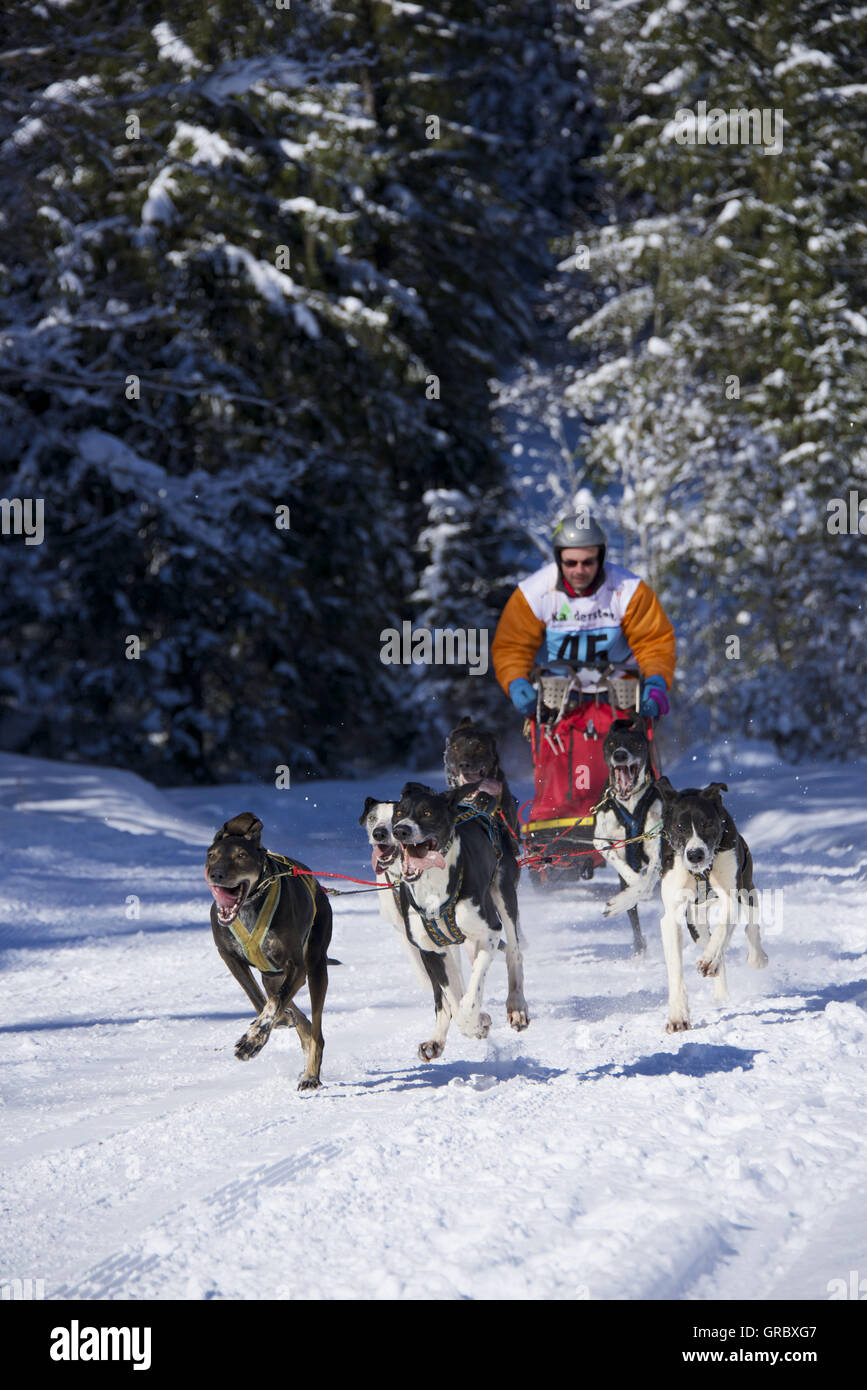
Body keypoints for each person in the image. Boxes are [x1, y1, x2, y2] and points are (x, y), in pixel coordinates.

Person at [491, 513, 676, 716]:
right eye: (570, 563)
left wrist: (656, 682)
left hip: (620, 690)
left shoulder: (629, 590)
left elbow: (655, 642)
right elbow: (512, 647)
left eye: (588, 562)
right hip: (556, 693)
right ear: (558, 559)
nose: (579, 570)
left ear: (601, 558)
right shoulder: (533, 593)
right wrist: (517, 683)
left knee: (630, 744)